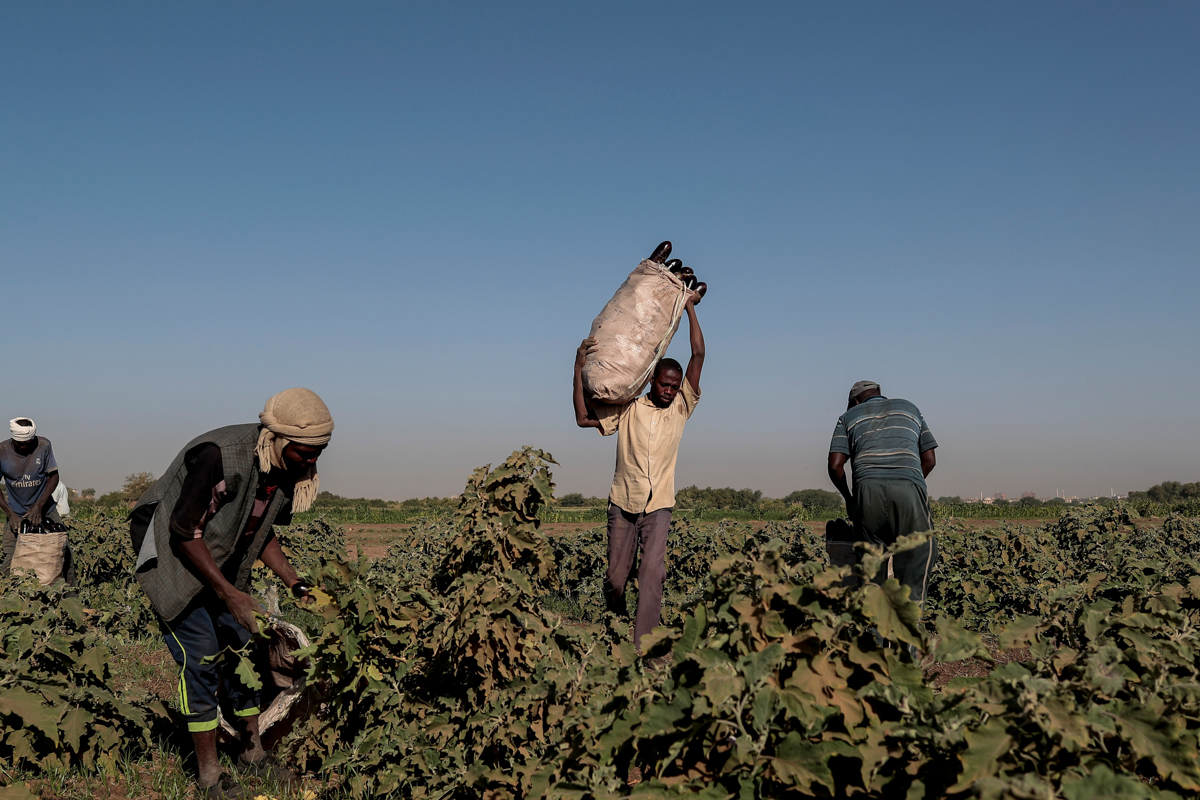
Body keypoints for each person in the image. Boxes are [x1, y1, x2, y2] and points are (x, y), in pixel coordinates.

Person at [129, 388, 333, 799]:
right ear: (277, 438)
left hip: (213, 554)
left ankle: (252, 755)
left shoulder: (281, 467)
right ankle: (208, 778)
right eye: (304, 452)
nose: (311, 462)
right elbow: (184, 530)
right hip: (172, 550)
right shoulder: (221, 455)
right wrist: (230, 594)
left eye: (319, 452)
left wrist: (295, 582)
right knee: (202, 656)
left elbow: (260, 529)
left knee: (245, 647)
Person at [573, 293, 705, 652]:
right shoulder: (629, 408)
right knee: (616, 579)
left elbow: (698, 355)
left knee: (651, 575)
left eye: (675, 386)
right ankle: (615, 625)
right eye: (665, 384)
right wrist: (577, 367)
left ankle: (646, 648)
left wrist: (688, 305)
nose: (670, 390)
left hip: (659, 505)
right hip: (623, 503)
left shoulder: (680, 408)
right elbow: (583, 418)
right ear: (651, 381)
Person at [827, 381, 939, 607]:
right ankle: (906, 633)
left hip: (866, 492)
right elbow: (929, 460)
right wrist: (909, 484)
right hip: (908, 488)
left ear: (855, 402)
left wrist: (850, 499)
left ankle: (875, 635)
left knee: (871, 569)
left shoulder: (848, 417)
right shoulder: (910, 409)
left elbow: (835, 466)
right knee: (918, 557)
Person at [0, 417, 68, 575]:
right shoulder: (2, 452)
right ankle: (5, 595)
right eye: (20, 444)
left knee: (62, 552)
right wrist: (10, 514)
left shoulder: (43, 445)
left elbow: (54, 477)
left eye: (28, 443)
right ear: (13, 439)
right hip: (16, 511)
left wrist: (39, 505)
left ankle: (69, 596)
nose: (25, 447)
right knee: (10, 556)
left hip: (46, 509)